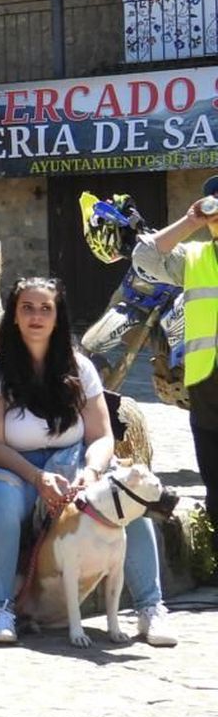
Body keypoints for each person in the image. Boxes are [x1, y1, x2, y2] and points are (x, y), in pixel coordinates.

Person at [0, 277, 175, 646]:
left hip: (73, 463)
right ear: (13, 315)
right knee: (0, 498)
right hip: (7, 466)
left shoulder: (80, 367)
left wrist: (92, 473)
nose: (36, 316)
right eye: (27, 308)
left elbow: (102, 436)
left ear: (59, 317)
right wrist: (37, 476)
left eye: (46, 308)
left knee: (126, 496)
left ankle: (149, 608)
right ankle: (1, 608)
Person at [134, 176, 218, 578]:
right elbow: (145, 259)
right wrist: (189, 222)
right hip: (207, 385)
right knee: (215, 484)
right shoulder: (196, 256)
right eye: (214, 205)